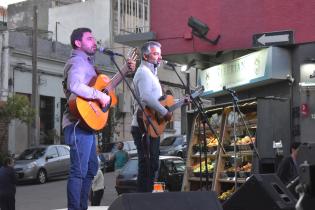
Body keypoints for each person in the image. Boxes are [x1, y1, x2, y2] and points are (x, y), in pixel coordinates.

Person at [62, 27, 135, 210]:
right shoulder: (77, 61)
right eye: (89, 38)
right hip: (76, 123)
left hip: (86, 125)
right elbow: (74, 85)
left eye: (94, 38)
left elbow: (107, 88)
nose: (94, 42)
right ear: (78, 43)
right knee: (78, 171)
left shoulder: (88, 64)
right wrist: (100, 96)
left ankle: (81, 206)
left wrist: (125, 69)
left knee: (91, 169)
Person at [131, 41, 172, 192]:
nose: (159, 57)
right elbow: (146, 97)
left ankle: (146, 197)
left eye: (160, 54)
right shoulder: (143, 72)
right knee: (147, 164)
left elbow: (157, 101)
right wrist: (165, 112)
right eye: (156, 54)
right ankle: (143, 201)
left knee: (152, 164)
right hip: (143, 125)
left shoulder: (152, 74)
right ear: (145, 56)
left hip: (151, 125)